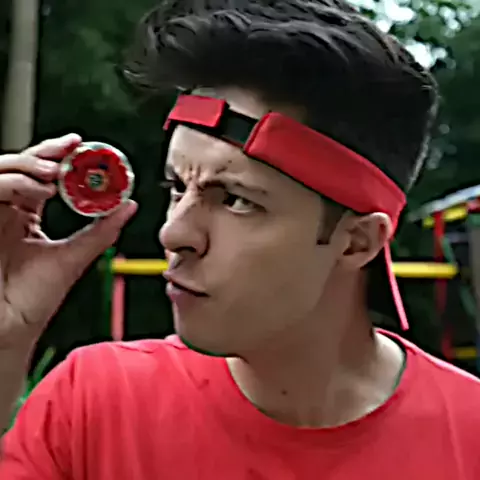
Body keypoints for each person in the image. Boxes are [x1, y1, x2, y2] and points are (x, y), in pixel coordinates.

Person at [1, 0, 480, 478]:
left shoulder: (469, 438)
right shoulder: (93, 407)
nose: (173, 233)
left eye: (235, 200)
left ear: (357, 241)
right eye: (177, 187)